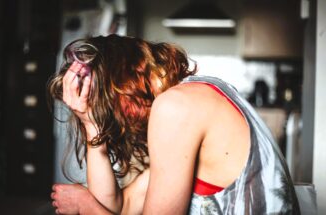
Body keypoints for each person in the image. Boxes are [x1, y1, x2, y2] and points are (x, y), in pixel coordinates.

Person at [48, 34, 300, 214]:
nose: (119, 120)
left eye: (112, 104)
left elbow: (100, 208)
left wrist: (86, 207)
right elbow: (121, 206)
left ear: (131, 72)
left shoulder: (176, 107)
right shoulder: (194, 94)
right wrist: (91, 124)